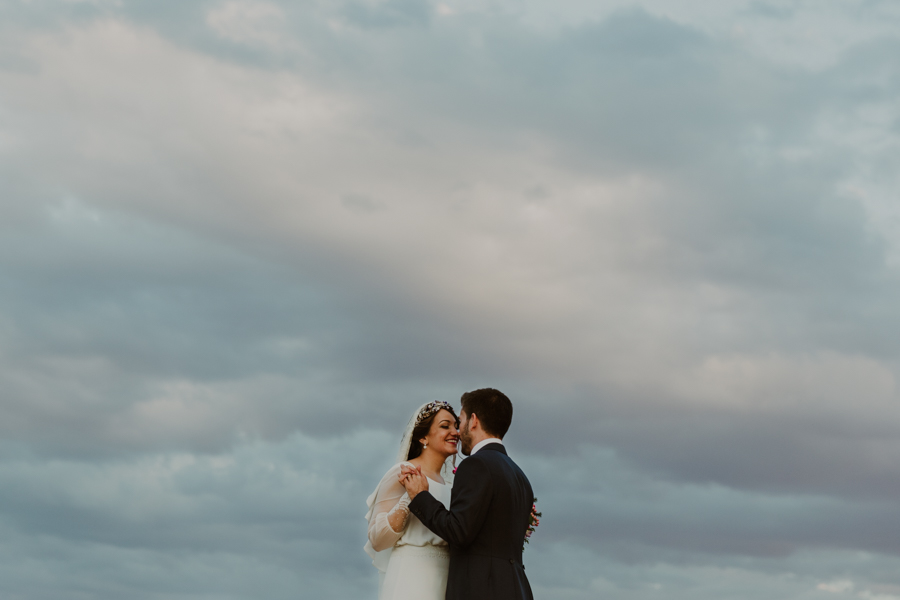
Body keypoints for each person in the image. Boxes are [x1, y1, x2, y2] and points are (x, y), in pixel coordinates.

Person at [400, 388, 534, 600]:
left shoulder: (476, 465)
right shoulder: (521, 477)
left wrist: (421, 496)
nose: (457, 431)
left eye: (460, 421)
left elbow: (459, 531)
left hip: (481, 591)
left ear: (473, 420)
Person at [364, 401, 460, 600]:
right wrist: (411, 496)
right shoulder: (403, 473)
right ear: (423, 437)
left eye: (456, 426)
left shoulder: (452, 485)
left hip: (446, 580)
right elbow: (377, 539)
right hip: (411, 577)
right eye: (445, 426)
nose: (455, 432)